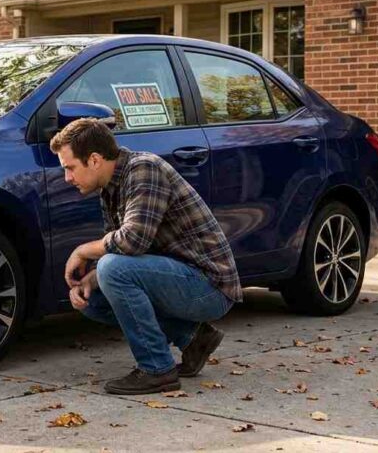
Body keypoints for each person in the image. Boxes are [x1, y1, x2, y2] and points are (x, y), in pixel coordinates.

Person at [50, 118, 242, 395]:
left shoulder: (144, 169)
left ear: (93, 159)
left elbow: (131, 241)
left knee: (112, 270)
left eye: (70, 168)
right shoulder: (109, 187)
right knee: (92, 297)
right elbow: (119, 250)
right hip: (177, 277)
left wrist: (81, 251)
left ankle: (157, 369)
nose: (67, 178)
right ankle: (193, 339)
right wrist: (92, 278)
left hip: (209, 286)